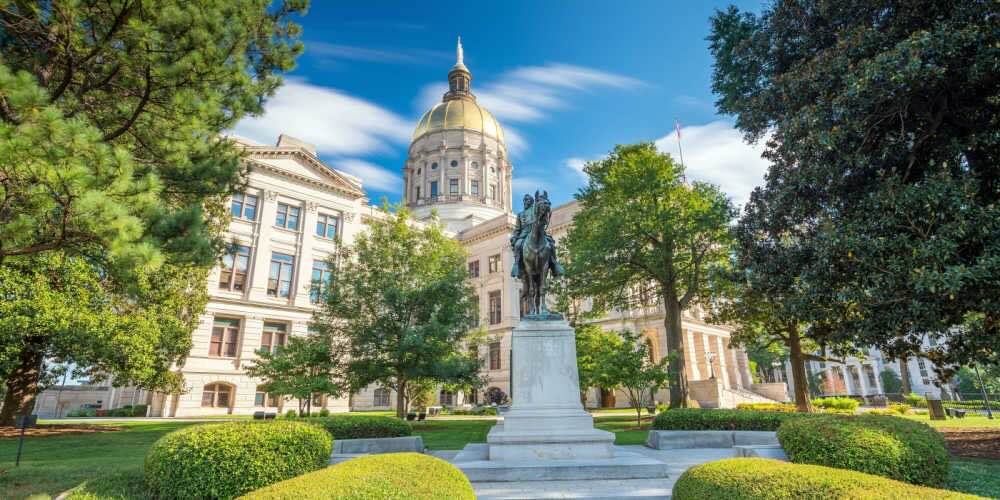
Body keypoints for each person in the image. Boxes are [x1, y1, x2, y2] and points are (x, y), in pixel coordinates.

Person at [510, 193, 563, 279]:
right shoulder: (520, 215)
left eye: (527, 200)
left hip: (538, 232)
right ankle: (517, 265)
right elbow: (517, 229)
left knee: (551, 244)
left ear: (531, 201)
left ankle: (554, 264)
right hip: (524, 235)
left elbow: (543, 216)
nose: (525, 202)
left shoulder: (536, 210)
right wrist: (515, 237)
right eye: (524, 200)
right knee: (518, 245)